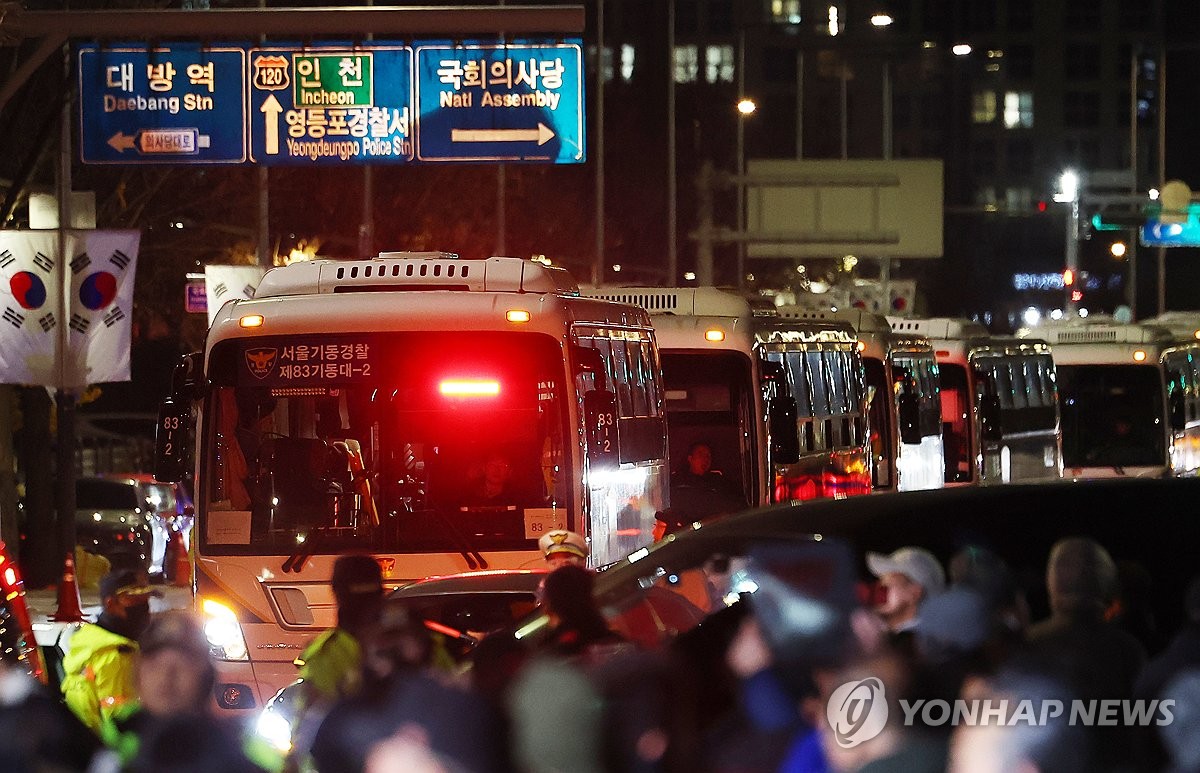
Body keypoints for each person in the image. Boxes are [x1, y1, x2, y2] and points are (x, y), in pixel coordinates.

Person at [61, 568, 158, 733]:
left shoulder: (91, 641)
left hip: (83, 744)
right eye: (133, 599)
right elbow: (119, 725)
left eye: (145, 598)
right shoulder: (116, 656)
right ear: (111, 604)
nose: (144, 607)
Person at [295, 554, 384, 707]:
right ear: (381, 589)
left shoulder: (324, 655)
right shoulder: (427, 642)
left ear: (336, 592)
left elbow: (308, 723)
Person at [866, 546, 945, 636]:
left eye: (886, 585)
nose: (877, 589)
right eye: (880, 581)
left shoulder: (926, 645)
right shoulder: (874, 637)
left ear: (915, 593)